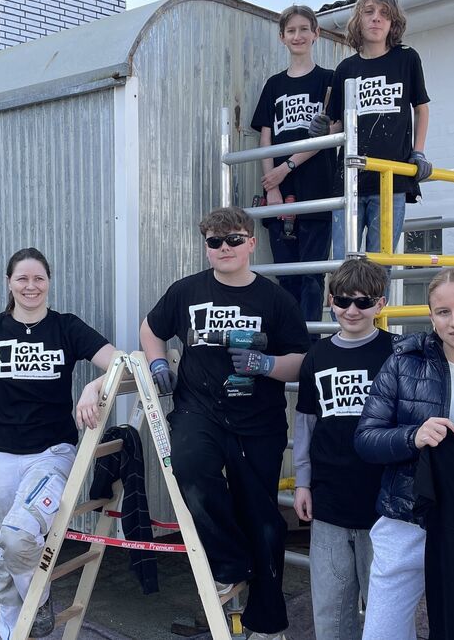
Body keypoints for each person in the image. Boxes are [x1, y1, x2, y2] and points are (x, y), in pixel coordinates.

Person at [0, 248, 116, 640]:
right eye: (22, 279)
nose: (31, 286)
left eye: (38, 278)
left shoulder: (67, 328)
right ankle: (14, 631)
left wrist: (93, 387)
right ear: (9, 283)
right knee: (1, 554)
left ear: (49, 282)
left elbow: (122, 362)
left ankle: (39, 598)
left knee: (18, 536)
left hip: (50, 455)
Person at [140, 207, 310, 640]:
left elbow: (300, 360)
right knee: (190, 469)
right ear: (206, 248)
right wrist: (157, 362)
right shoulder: (186, 291)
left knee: (263, 519)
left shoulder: (275, 300)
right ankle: (231, 563)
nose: (224, 248)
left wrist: (266, 364)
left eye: (233, 240)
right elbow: (150, 328)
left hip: (258, 421)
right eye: (214, 242)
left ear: (251, 243)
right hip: (199, 410)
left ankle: (266, 624)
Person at [353, 267, 454, 640]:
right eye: (443, 312)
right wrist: (413, 436)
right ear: (431, 316)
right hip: (406, 517)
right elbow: (365, 439)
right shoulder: (403, 363)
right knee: (382, 632)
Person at [293, 257, 391, 640]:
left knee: (385, 614)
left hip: (382, 505)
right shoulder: (317, 356)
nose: (352, 310)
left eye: (363, 302)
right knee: (331, 613)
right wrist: (303, 482)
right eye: (344, 300)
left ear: (380, 304)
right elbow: (305, 423)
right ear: (331, 301)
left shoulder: (397, 352)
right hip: (329, 501)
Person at [310, 0, 432, 259]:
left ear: (393, 22)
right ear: (359, 19)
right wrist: (322, 130)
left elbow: (421, 109)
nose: (376, 18)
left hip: (392, 179)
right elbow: (339, 125)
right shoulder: (346, 69)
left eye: (384, 13)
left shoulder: (407, 58)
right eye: (369, 11)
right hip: (349, 180)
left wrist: (419, 152)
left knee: (380, 266)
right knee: (345, 265)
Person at [250, 4, 336, 324]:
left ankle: (308, 346)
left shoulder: (329, 80)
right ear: (282, 37)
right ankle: (288, 345)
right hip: (279, 192)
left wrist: (286, 167)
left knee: (312, 277)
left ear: (316, 34)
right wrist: (271, 186)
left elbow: (331, 132)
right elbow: (265, 138)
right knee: (285, 277)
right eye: (291, 30)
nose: (297, 36)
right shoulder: (274, 85)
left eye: (304, 29)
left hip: (318, 188)